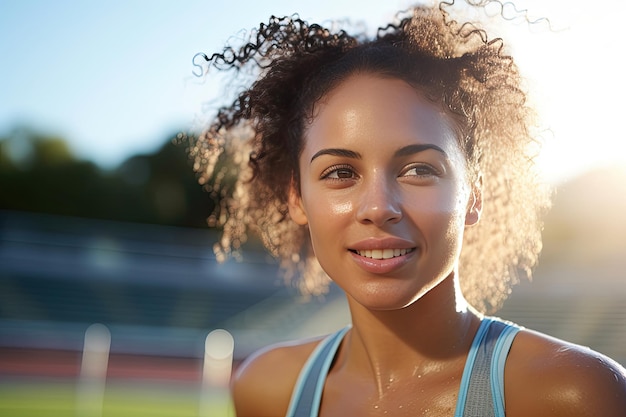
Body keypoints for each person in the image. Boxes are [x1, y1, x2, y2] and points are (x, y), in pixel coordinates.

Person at [188, 1, 626, 415]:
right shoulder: (266, 390)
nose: (378, 207)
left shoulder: (572, 393)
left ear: (474, 194)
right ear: (296, 198)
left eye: (418, 169)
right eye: (340, 173)